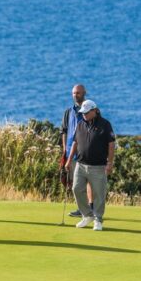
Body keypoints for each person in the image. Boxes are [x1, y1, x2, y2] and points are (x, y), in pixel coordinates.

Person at [66, 100, 115, 231]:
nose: (84, 115)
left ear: (95, 111)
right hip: (80, 165)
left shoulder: (105, 124)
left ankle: (98, 219)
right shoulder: (81, 124)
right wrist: (69, 159)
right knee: (76, 189)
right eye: (83, 113)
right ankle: (87, 215)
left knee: (99, 194)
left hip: (98, 166)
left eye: (87, 113)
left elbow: (111, 145)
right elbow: (75, 143)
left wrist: (110, 163)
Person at [60, 84, 92, 217]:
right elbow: (64, 131)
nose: (75, 95)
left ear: (84, 93)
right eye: (74, 93)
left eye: (78, 93)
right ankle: (82, 209)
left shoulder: (90, 110)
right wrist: (65, 151)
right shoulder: (68, 112)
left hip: (85, 152)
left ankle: (90, 207)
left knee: (88, 181)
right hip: (71, 153)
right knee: (76, 183)